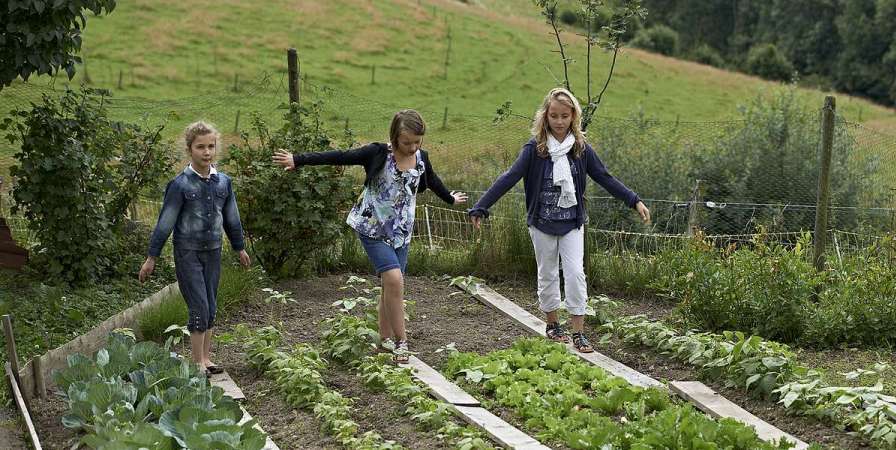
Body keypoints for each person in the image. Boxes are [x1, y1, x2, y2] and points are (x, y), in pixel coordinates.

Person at [272, 109, 467, 363]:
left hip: (401, 233)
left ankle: (384, 341)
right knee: (395, 280)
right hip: (372, 228)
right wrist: (298, 159)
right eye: (406, 142)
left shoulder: (421, 158)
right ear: (394, 137)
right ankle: (402, 342)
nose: (412, 147)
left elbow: (432, 180)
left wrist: (450, 198)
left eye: (417, 142)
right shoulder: (377, 153)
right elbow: (340, 156)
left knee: (390, 286)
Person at [468, 87, 650, 353]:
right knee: (548, 273)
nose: (559, 121)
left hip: (572, 223)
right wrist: (481, 207)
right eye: (554, 115)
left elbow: (604, 177)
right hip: (541, 223)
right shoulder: (534, 149)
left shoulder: (581, 149)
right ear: (545, 116)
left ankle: (579, 332)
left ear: (573, 116)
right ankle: (553, 325)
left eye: (565, 116)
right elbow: (509, 177)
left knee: (575, 273)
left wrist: (634, 200)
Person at [140, 121, 251, 376]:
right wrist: (151, 257)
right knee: (199, 305)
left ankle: (206, 358)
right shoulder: (180, 185)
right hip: (188, 253)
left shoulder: (223, 183)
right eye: (200, 147)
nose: (207, 152)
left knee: (210, 304)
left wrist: (239, 248)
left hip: (213, 251)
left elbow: (232, 218)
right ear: (190, 149)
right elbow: (165, 223)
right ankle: (196, 362)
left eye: (211, 146)